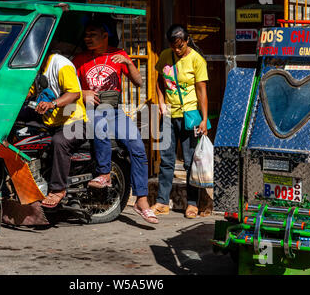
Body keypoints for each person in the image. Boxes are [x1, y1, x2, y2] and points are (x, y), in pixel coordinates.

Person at [73, 18, 158, 224]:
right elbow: (70, 88)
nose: (88, 39)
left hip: (116, 111)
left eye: (92, 35)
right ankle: (105, 174)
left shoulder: (118, 55)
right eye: (86, 35)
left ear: (105, 36)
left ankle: (142, 200)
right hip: (92, 110)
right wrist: (83, 92)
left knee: (137, 146)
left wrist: (128, 63)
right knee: (99, 124)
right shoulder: (80, 60)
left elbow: (138, 82)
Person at [151, 24, 210, 219]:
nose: (177, 50)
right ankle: (161, 202)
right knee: (166, 161)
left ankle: (192, 204)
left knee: (189, 161)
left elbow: (202, 91)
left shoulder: (196, 60)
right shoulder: (165, 55)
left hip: (190, 116)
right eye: (173, 46)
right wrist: (160, 101)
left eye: (180, 46)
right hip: (169, 115)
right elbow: (159, 79)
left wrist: (204, 119)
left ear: (186, 41)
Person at [30, 51, 88, 208]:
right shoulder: (34, 68)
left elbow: (75, 93)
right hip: (50, 122)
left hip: (75, 121)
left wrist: (52, 104)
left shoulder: (61, 65)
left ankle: (58, 189)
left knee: (59, 142)